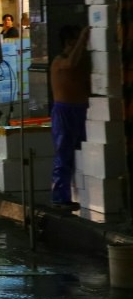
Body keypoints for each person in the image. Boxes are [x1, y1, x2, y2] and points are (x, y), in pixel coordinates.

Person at [49, 25, 90, 210]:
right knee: (64, 154)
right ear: (69, 43)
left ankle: (85, 194)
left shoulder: (81, 61)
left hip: (81, 110)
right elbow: (71, 64)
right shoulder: (60, 61)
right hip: (64, 111)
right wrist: (82, 39)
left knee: (83, 154)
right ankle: (59, 196)